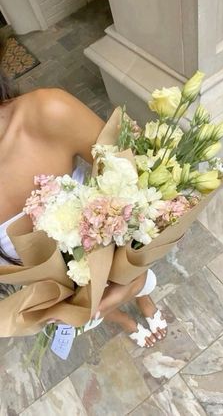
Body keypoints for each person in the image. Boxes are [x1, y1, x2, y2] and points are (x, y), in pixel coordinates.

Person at [0, 50, 167, 349]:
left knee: (130, 282)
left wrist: (132, 279)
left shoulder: (49, 111)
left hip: (114, 254)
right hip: (55, 288)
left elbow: (140, 181)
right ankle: (124, 320)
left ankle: (143, 300)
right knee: (89, 305)